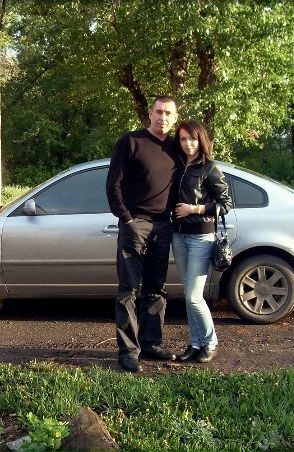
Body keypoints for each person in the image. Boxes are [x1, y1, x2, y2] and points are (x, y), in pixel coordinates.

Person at [105, 96, 180, 372]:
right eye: (159, 112)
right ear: (150, 114)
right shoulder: (131, 142)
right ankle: (128, 351)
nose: (163, 117)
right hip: (135, 224)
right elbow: (113, 185)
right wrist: (127, 219)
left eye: (168, 113)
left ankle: (151, 344)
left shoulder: (176, 147)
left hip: (163, 226)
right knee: (128, 290)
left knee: (156, 289)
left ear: (174, 117)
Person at [171, 119, 232, 363]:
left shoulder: (209, 167)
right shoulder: (177, 165)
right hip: (178, 236)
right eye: (183, 139)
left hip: (201, 237)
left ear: (201, 140)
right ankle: (196, 343)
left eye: (192, 139)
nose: (188, 144)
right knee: (188, 294)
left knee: (194, 296)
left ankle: (211, 341)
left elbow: (225, 204)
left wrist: (194, 209)